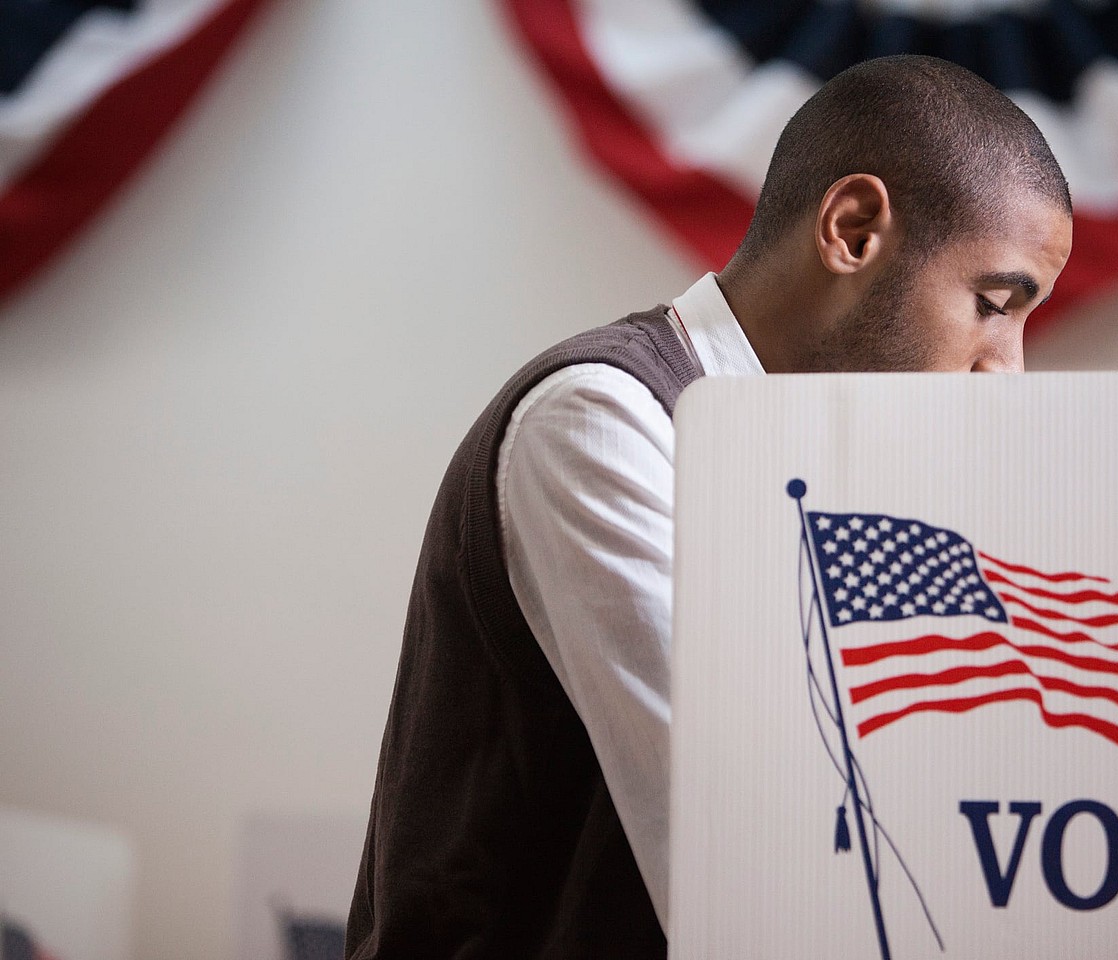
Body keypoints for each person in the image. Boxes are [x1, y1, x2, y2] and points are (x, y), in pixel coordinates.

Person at [345, 54, 1072, 960]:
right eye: (992, 305)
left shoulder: (821, 470)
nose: (1007, 373)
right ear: (851, 230)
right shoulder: (602, 421)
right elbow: (749, 859)